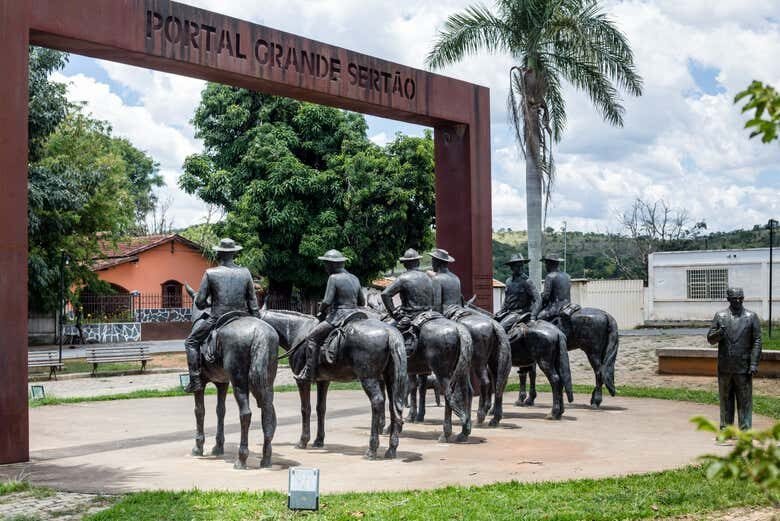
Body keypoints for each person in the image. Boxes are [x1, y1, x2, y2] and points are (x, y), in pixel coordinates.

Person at [184, 238, 261, 393]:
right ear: (234, 253)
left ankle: (195, 380)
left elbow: (199, 303)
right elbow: (253, 302)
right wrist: (257, 320)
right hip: (242, 317)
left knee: (191, 342)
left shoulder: (210, 273)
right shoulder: (245, 272)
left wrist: (207, 303)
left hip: (217, 318)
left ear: (219, 253)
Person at [295, 249, 365, 381]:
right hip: (356, 314)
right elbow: (362, 301)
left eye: (326, 264)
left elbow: (327, 300)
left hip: (339, 316)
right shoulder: (355, 278)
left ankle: (309, 372)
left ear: (332, 264)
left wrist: (321, 310)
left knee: (312, 337)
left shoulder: (333, 278)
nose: (325, 267)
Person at [707, 287, 762, 430]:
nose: (738, 301)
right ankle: (726, 429)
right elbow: (711, 339)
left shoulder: (751, 316)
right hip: (725, 366)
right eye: (734, 298)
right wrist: (720, 332)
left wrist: (754, 363)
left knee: (744, 401)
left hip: (743, 367)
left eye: (740, 298)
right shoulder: (720, 316)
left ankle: (745, 430)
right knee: (725, 400)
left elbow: (757, 341)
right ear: (728, 299)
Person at [381, 248, 434, 331]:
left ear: (405, 264)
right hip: (428, 314)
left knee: (388, 332)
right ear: (418, 262)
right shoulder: (428, 277)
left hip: (411, 316)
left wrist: (394, 314)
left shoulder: (403, 278)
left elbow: (385, 294)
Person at [494, 253, 541, 330]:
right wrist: (501, 311)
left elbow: (538, 299)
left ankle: (504, 342)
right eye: (517, 266)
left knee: (499, 329)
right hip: (509, 313)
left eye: (521, 265)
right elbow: (506, 301)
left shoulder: (527, 281)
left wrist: (533, 316)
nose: (520, 268)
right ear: (511, 267)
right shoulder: (508, 281)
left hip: (520, 314)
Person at [536, 253, 571, 323]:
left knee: (538, 317)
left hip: (556, 308)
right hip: (568, 305)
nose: (545, 266)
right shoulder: (567, 276)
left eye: (546, 264)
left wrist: (542, 295)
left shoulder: (550, 276)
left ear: (549, 264)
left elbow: (546, 297)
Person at [429, 248, 461, 313]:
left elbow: (436, 306)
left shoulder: (437, 279)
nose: (432, 264)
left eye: (433, 261)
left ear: (437, 262)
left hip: (446, 314)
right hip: (458, 311)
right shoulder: (456, 277)